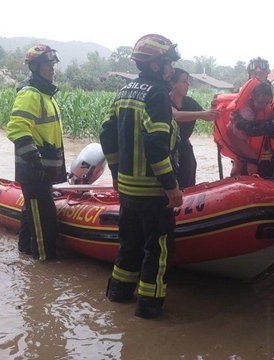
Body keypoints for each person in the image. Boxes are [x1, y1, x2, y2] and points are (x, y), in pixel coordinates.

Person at [100, 34, 183, 319]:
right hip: (151, 190)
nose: (172, 69)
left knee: (130, 242)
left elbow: (106, 133)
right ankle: (149, 307)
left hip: (127, 188)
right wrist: (170, 186)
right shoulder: (157, 94)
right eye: (169, 63)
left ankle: (118, 293)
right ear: (157, 65)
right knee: (157, 248)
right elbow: (157, 145)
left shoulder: (124, 91)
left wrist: (114, 172)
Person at [6, 44, 66, 261]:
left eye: (53, 64)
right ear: (35, 67)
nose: (52, 69)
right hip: (35, 171)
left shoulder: (45, 94)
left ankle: (24, 253)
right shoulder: (31, 94)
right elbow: (17, 128)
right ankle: (43, 264)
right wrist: (34, 160)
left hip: (42, 171)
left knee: (31, 214)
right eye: (47, 65)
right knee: (45, 221)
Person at [169, 68, 219, 188]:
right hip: (169, 149)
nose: (188, 84)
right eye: (184, 81)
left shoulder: (189, 102)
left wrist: (214, 107)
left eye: (187, 81)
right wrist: (201, 114)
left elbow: (208, 116)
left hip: (185, 148)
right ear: (173, 83)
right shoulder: (164, 100)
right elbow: (175, 115)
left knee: (188, 181)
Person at [227, 81, 274, 175]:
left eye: (266, 103)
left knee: (240, 160)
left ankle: (237, 177)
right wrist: (270, 124)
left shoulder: (253, 105)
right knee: (253, 159)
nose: (263, 106)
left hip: (240, 136)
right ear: (252, 97)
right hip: (236, 136)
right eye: (260, 103)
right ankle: (251, 180)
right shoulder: (246, 112)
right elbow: (250, 129)